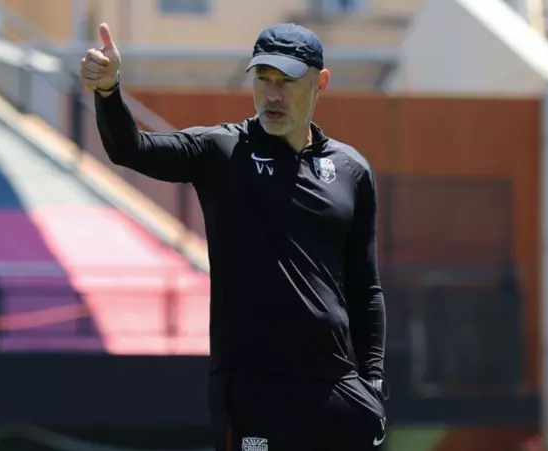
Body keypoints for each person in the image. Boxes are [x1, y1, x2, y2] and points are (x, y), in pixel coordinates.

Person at [81, 22, 388, 451]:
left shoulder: (351, 169)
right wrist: (109, 90)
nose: (272, 94)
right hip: (252, 391)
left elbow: (365, 287)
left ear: (320, 82)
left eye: (286, 81)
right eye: (263, 78)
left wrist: (373, 381)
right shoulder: (222, 151)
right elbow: (130, 149)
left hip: (336, 390)